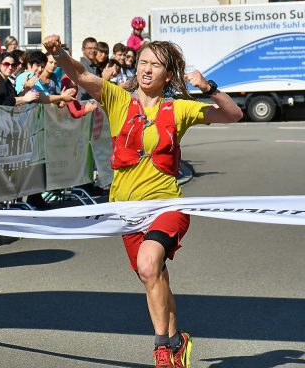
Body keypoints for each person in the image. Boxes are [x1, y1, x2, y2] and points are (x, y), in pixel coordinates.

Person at [43, 34, 242, 367]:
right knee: (153, 276)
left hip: (166, 205)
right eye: (144, 62)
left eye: (156, 65)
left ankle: (162, 348)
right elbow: (82, 76)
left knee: (149, 264)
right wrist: (59, 53)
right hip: (126, 210)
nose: (147, 69)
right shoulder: (118, 100)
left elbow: (232, 115)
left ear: (168, 74)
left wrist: (208, 88)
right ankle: (178, 340)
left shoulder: (180, 109)